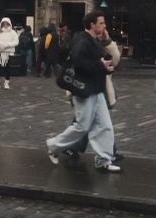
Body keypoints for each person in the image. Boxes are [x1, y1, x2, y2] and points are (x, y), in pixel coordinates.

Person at [46, 11, 120, 172]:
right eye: (101, 23)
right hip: (84, 91)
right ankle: (53, 145)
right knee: (82, 127)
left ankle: (103, 160)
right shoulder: (82, 41)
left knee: (105, 126)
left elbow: (110, 60)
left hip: (97, 90)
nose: (104, 26)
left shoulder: (95, 41)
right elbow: (79, 63)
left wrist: (104, 66)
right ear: (92, 25)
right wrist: (101, 66)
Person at [0, 17, 19, 90]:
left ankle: (6, 82)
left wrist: (7, 45)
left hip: (9, 52)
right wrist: (0, 44)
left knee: (7, 68)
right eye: (3, 23)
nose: (5, 25)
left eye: (7, 23)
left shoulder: (13, 32)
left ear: (9, 24)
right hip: (0, 52)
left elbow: (16, 42)